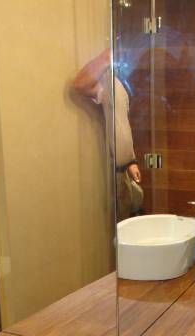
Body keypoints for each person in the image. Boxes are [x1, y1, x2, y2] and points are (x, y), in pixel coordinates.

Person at [73, 49, 143, 221]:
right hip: (112, 172)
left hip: (123, 170)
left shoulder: (118, 84)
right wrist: (107, 56)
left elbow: (122, 125)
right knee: (118, 228)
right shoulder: (105, 83)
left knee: (125, 225)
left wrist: (131, 161)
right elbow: (80, 84)